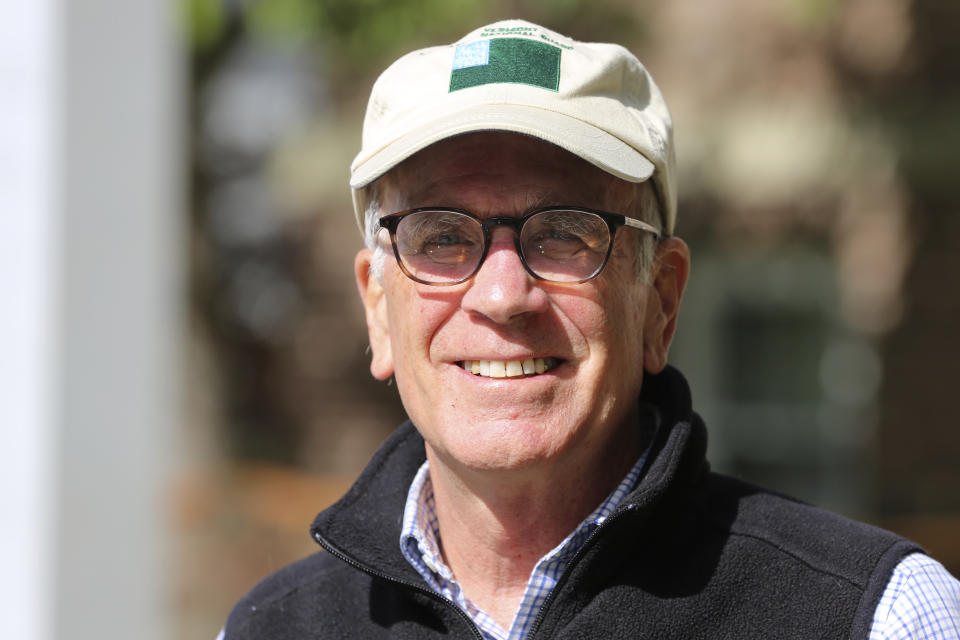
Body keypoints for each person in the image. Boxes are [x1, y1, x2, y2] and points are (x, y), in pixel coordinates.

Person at [221, 19, 960, 639]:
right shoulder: (270, 629)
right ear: (379, 310)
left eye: (564, 234)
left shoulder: (875, 618)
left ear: (661, 301)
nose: (504, 294)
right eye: (440, 237)